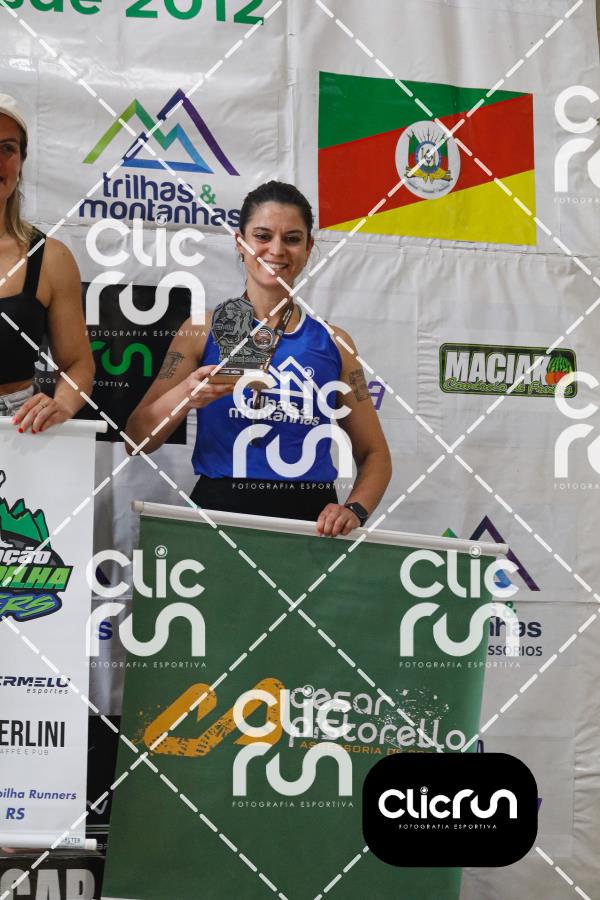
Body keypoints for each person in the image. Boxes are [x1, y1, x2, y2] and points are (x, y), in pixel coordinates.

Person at [125, 181, 392, 537]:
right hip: (219, 514)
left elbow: (375, 454)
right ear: (240, 243)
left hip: (311, 524)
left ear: (308, 247)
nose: (276, 250)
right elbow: (136, 439)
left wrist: (354, 510)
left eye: (292, 239)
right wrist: (186, 395)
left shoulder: (335, 342)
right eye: (262, 236)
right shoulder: (201, 330)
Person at [0, 94, 94, 432]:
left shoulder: (50, 258)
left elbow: (78, 363)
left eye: (7, 148)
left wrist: (62, 403)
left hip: (15, 429)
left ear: (21, 162)